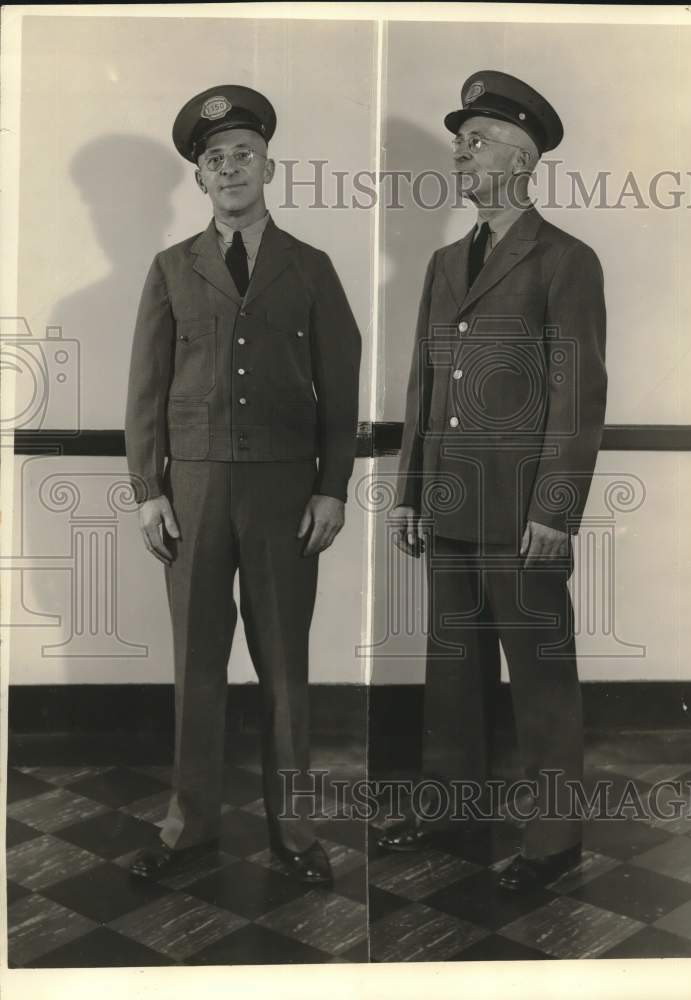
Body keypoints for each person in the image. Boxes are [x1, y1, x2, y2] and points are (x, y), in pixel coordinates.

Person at [124, 85, 361, 885]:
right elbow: (145, 390)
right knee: (196, 662)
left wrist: (331, 488)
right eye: (213, 158)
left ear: (270, 167)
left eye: (243, 155)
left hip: (284, 496)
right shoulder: (170, 269)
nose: (229, 168)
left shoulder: (311, 268)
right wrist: (147, 490)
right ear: (199, 178)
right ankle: (186, 828)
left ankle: (294, 835)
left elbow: (340, 390)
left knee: (284, 667)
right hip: (189, 493)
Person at [378, 71, 607, 892]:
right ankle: (453, 808)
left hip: (520, 513)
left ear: (519, 158)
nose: (460, 156)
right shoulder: (446, 263)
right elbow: (424, 385)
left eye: (474, 144)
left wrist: (556, 510)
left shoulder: (564, 261)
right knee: (453, 668)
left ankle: (552, 841)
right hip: (447, 501)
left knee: (539, 675)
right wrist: (407, 491)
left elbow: (577, 397)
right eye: (459, 144)